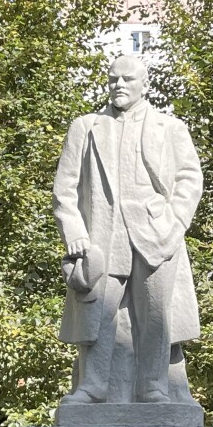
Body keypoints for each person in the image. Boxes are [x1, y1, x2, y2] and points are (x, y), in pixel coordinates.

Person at [52, 54, 202, 406]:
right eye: (113, 78)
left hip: (156, 236)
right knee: (98, 313)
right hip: (103, 237)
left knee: (155, 316)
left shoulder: (170, 128)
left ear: (144, 85)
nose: (119, 84)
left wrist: (173, 223)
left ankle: (154, 387)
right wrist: (74, 231)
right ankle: (93, 386)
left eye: (128, 79)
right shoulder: (85, 127)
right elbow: (64, 188)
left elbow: (190, 179)